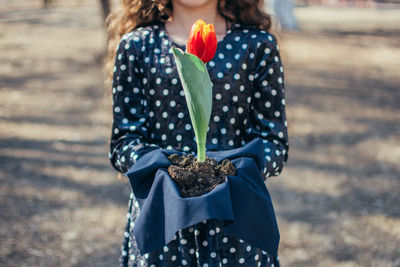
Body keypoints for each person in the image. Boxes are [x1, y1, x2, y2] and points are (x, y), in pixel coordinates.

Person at [105, 0, 289, 266]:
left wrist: (227, 172)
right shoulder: (137, 46)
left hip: (236, 223)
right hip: (165, 222)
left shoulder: (257, 45)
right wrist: (170, 172)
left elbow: (273, 143)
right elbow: (123, 143)